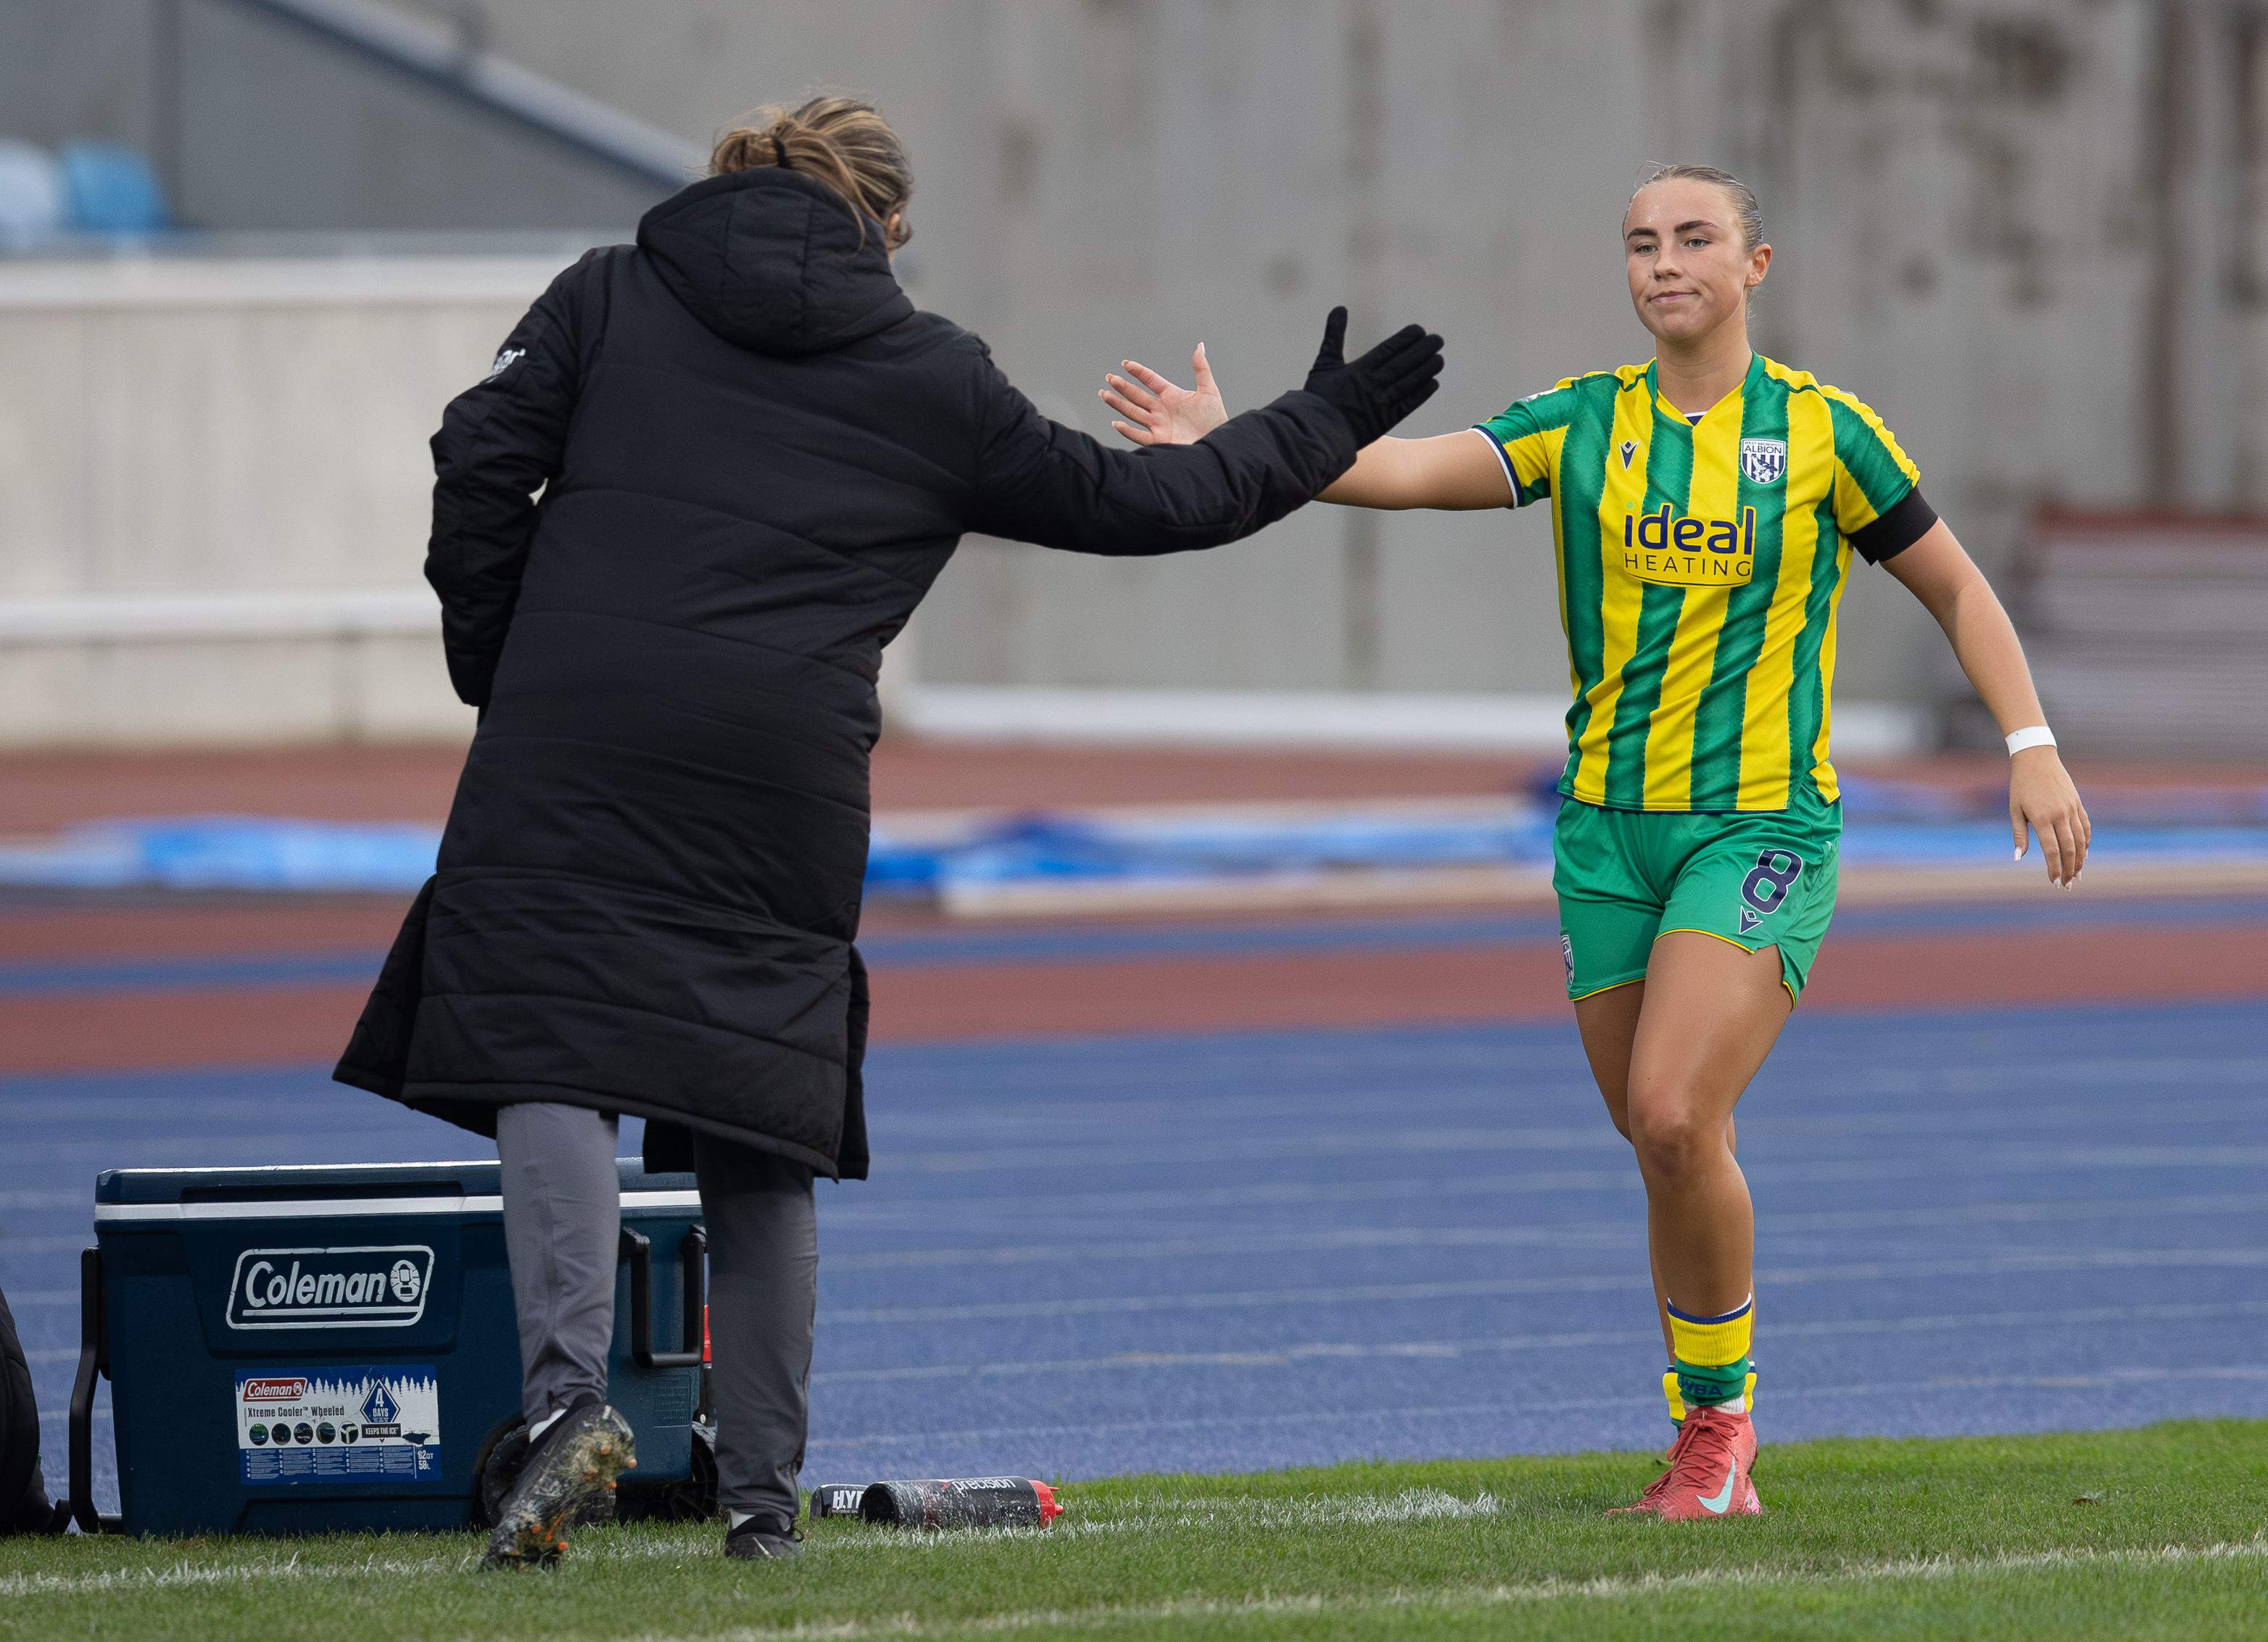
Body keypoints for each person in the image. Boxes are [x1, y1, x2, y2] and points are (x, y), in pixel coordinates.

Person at [333, 93, 1444, 1567]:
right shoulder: (933, 374)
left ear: (725, 183)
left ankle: (566, 1411)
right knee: (754, 1101)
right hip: (783, 767)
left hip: (578, 724)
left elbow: (475, 458)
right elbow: (1148, 500)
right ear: (889, 226)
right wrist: (1324, 417)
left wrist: (503, 652)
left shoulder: (604, 294)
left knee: (550, 1041)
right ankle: (760, 1504)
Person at [1100, 162, 2090, 1521]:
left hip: (1758, 827)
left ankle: (1722, 1433)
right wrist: (1239, 443)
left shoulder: (1823, 433)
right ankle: (1707, 1442)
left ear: (1755, 264)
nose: (1662, 261)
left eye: (1694, 238)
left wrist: (2029, 747)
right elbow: (1392, 470)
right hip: (1603, 840)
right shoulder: (1583, 422)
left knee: (1677, 1108)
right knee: (1662, 1141)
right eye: (1639, 242)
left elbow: (1957, 584)